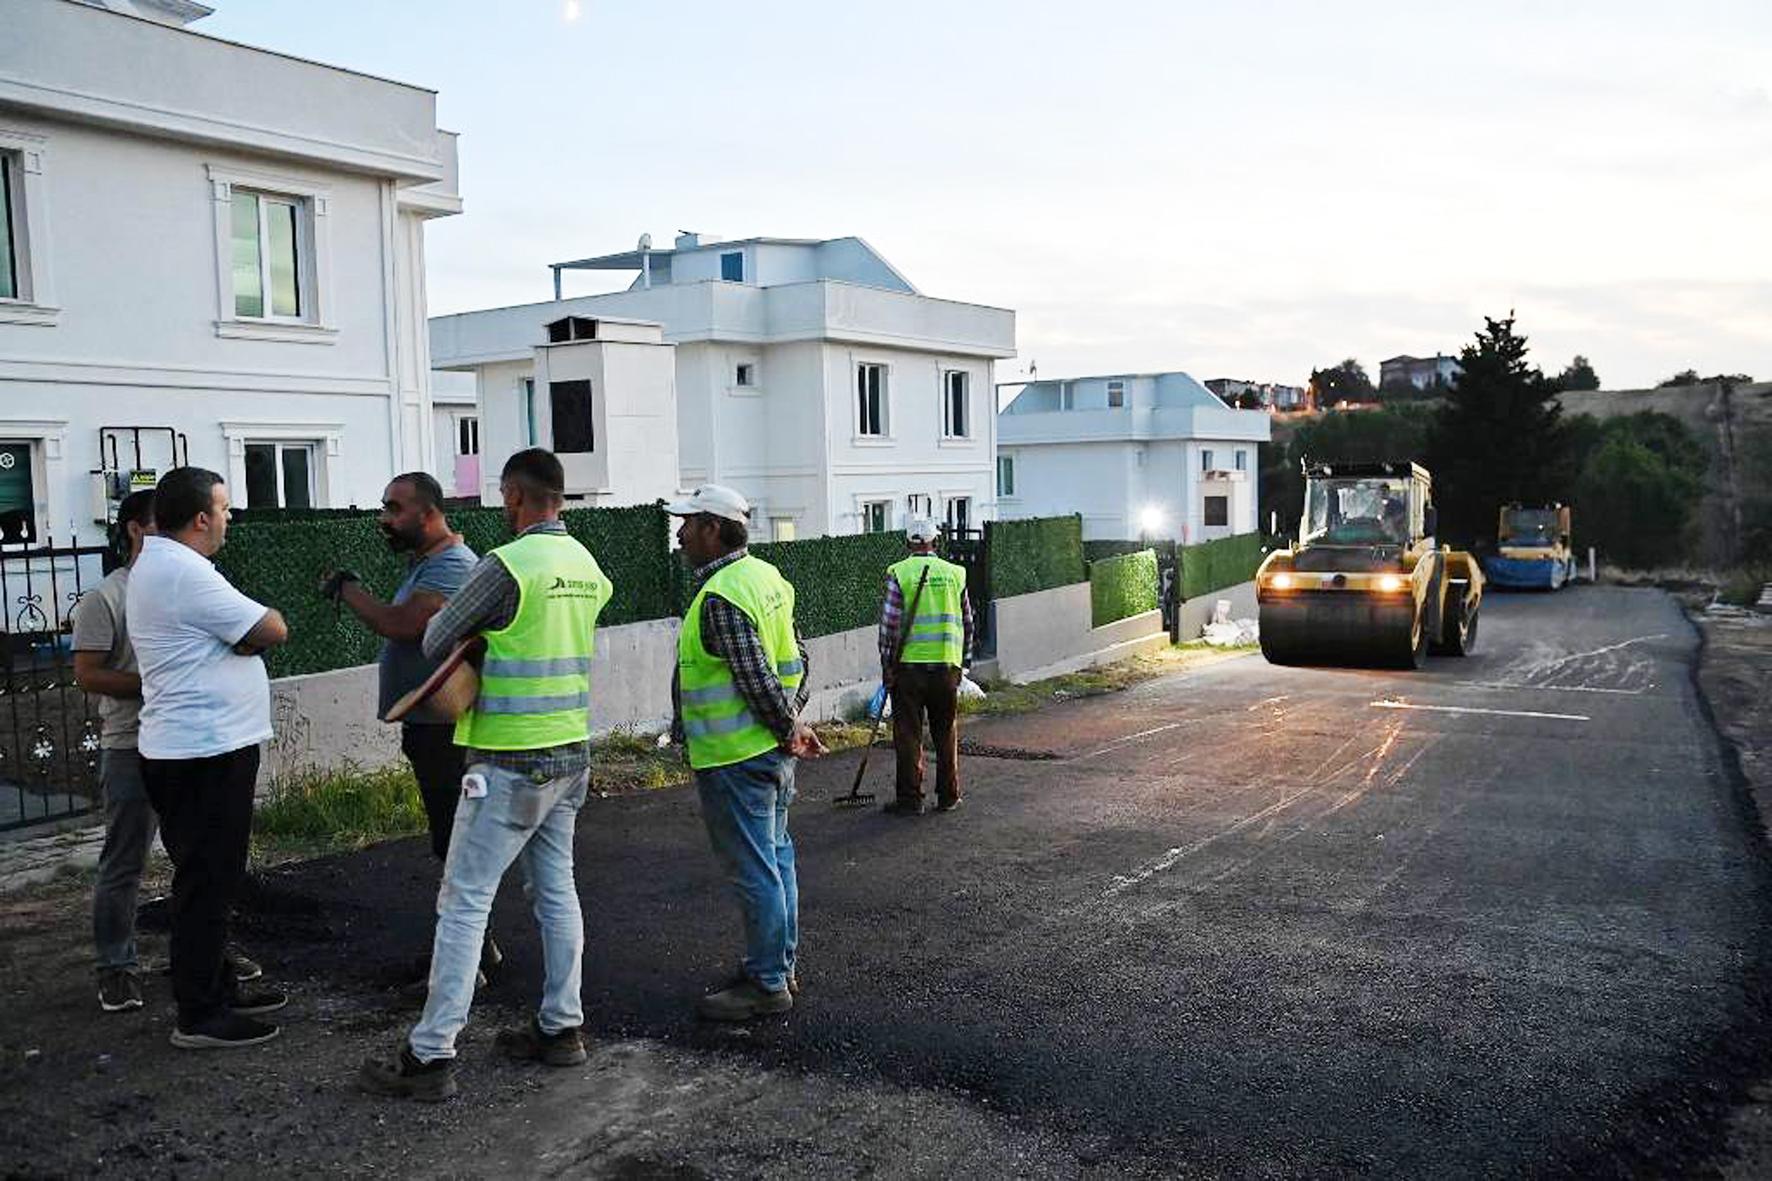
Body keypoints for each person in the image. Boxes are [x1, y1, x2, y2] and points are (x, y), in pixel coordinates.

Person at [359, 448, 612, 1102]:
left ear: (513, 496)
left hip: (508, 757)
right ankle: (562, 1027)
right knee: (557, 890)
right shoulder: (585, 564)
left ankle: (431, 1053)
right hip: (570, 751)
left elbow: (438, 634)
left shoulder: (508, 564)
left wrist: (481, 639)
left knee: (464, 898)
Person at [128, 467, 289, 1050]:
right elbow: (272, 627)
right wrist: (244, 637)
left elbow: (246, 633)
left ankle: (216, 987)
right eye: (224, 509)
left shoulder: (166, 565)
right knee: (207, 883)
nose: (228, 518)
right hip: (202, 752)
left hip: (193, 748)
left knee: (208, 878)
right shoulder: (184, 572)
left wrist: (238, 638)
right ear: (200, 517)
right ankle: (199, 1014)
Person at [320, 474, 494, 987]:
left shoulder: (451, 568)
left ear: (428, 512)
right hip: (429, 724)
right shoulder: (428, 566)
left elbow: (401, 625)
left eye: (394, 509)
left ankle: (468, 963)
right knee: (450, 842)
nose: (384, 519)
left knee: (454, 843)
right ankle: (476, 950)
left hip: (446, 729)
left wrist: (347, 589)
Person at [668, 484, 825, 1022]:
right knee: (777, 860)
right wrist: (793, 723)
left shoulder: (723, 595)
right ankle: (777, 966)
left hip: (736, 756)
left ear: (714, 528)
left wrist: (786, 727)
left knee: (756, 869)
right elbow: (799, 658)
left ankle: (766, 984)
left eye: (688, 522)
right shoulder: (767, 579)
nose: (680, 533)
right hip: (767, 753)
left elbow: (757, 679)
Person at [878, 518, 973, 816]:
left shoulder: (899, 572)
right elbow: (968, 623)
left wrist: (887, 665)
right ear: (936, 541)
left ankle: (910, 799)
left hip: (909, 670)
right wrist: (964, 665)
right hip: (947, 667)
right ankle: (949, 795)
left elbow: (889, 626)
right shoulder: (956, 573)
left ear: (907, 543)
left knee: (908, 733)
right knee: (945, 732)